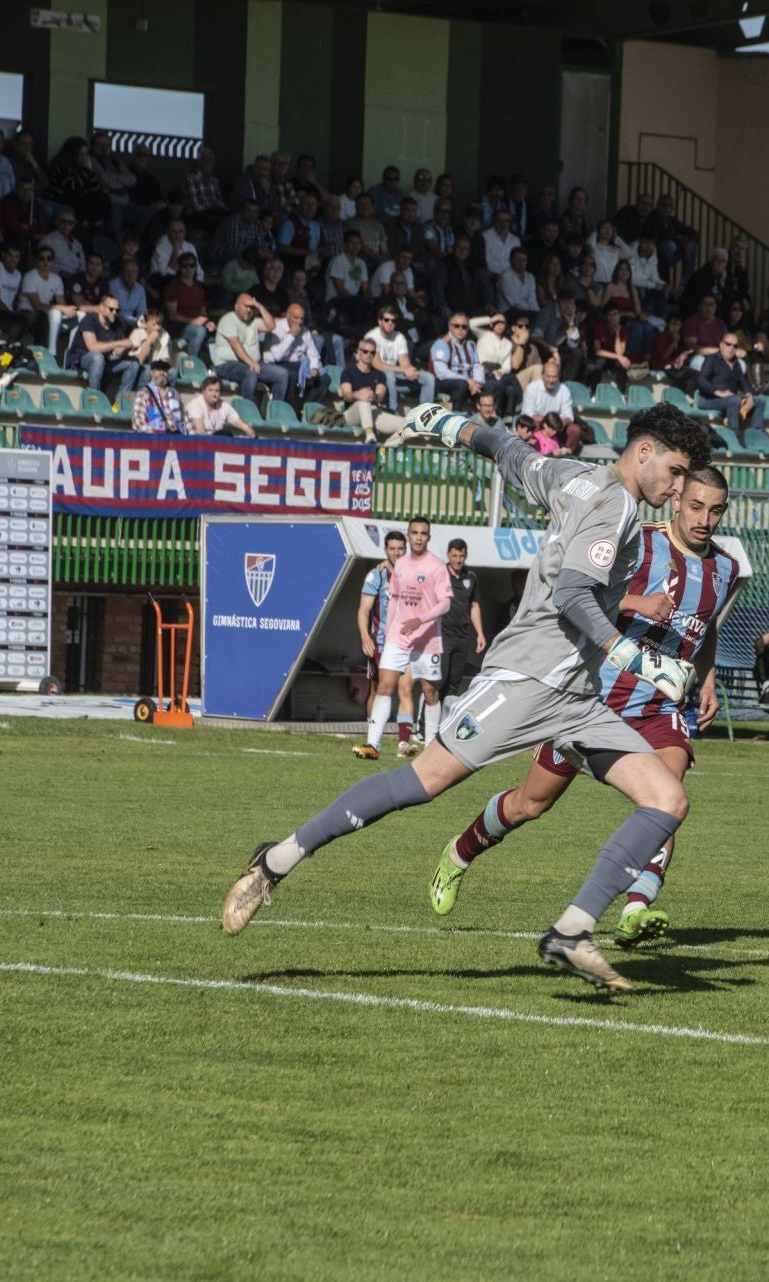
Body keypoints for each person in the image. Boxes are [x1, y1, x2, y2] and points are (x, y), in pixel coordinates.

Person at [221, 401, 712, 993]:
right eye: (677, 471)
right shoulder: (614, 508)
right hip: (527, 680)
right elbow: (575, 598)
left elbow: (508, 452)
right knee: (423, 782)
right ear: (644, 452)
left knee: (666, 799)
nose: (679, 486)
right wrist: (636, 657)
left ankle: (572, 931)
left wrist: (446, 425)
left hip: (577, 696)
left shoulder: (574, 474)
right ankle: (276, 860)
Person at [430, 469, 739, 948]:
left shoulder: (726, 568)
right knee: (530, 804)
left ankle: (636, 908)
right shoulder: (636, 542)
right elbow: (577, 597)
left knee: (666, 798)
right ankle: (460, 853)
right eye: (696, 506)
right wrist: (636, 603)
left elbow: (707, 624)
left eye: (715, 510)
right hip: (591, 699)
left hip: (659, 707)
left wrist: (710, 677)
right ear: (676, 500)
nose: (705, 519)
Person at [364, 516, 452, 760]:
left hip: (426, 639)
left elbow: (445, 603)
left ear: (429, 537)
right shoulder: (400, 565)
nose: (419, 537)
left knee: (429, 691)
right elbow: (394, 598)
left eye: (423, 533)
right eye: (414, 532)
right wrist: (389, 630)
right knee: (384, 686)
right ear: (409, 534)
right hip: (397, 638)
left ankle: (432, 746)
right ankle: (373, 744)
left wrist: (421, 620)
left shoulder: (436, 566)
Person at [352, 530, 407, 759]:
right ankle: (372, 736)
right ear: (386, 550)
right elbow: (364, 609)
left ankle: (404, 743)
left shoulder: (413, 574)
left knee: (405, 689)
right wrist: (365, 636)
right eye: (392, 548)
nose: (396, 552)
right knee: (378, 688)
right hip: (380, 643)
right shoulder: (377, 576)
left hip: (405, 642)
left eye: (400, 548)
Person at [439, 538, 488, 699]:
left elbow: (473, 606)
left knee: (455, 682)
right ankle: (427, 722)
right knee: (440, 680)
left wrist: (480, 634)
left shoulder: (471, 577)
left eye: (461, 556)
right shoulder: (439, 574)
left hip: (462, 637)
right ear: (448, 555)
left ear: (466, 556)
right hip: (442, 636)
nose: (458, 560)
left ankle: (445, 722)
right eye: (454, 556)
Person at [695, 333, 766, 434]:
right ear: (721, 345)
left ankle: (756, 436)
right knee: (734, 400)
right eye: (728, 344)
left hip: (730, 399)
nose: (731, 348)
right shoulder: (712, 359)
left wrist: (749, 395)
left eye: (735, 346)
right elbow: (701, 380)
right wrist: (717, 392)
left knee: (760, 400)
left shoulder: (736, 363)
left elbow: (744, 382)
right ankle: (733, 436)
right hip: (708, 399)